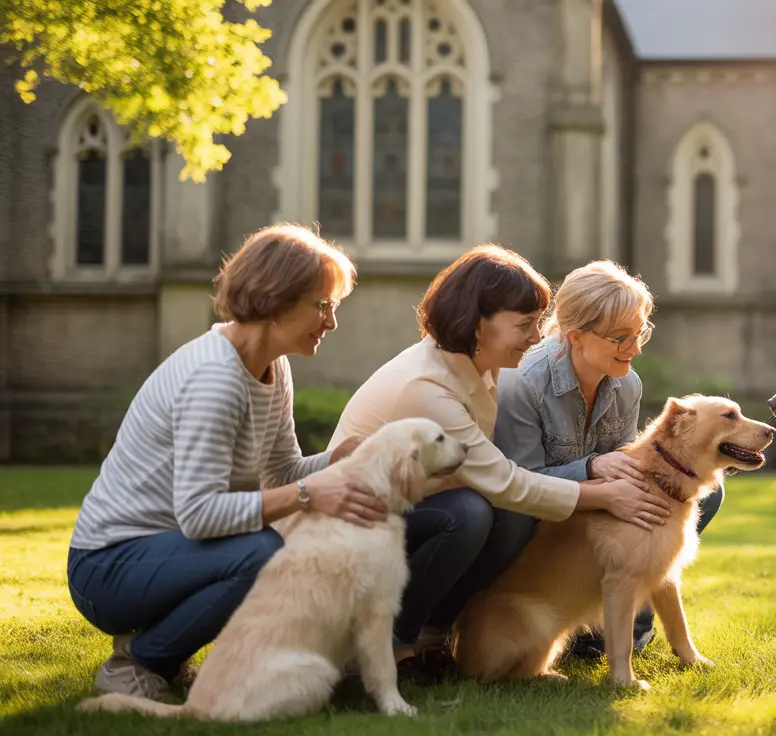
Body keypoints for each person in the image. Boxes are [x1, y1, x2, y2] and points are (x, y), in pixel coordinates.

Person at [66, 224, 382, 702]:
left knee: (262, 547)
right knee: (259, 554)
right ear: (276, 298)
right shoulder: (214, 377)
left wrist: (335, 461)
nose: (331, 322)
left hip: (164, 554)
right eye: (323, 305)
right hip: (106, 567)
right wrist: (309, 494)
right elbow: (200, 514)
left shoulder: (273, 367)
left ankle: (157, 646)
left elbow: (281, 471)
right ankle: (139, 662)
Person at [326, 244, 667, 683]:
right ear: (475, 323)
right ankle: (395, 643)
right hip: (358, 523)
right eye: (525, 325)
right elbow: (506, 483)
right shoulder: (428, 385)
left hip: (414, 509)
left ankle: (435, 636)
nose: (538, 336)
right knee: (474, 514)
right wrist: (602, 491)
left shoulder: (484, 367)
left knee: (485, 513)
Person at [493, 260, 725, 658]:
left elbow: (630, 460)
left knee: (694, 495)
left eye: (640, 334)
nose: (634, 349)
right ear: (576, 337)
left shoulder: (625, 382)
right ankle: (585, 616)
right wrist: (591, 468)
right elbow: (519, 481)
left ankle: (625, 620)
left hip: (594, 511)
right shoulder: (523, 383)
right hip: (529, 515)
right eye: (621, 338)